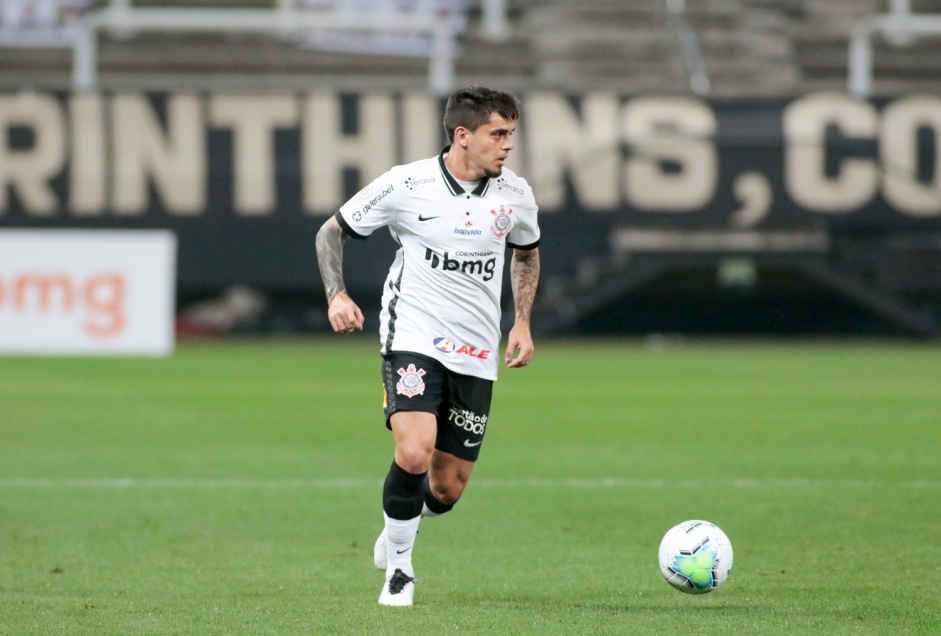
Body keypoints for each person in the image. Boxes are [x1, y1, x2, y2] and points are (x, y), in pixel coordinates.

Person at [315, 86, 540, 607]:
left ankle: (402, 521)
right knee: (413, 450)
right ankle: (399, 571)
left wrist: (522, 322)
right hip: (412, 333)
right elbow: (331, 232)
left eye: (511, 134)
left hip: (477, 347)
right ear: (463, 136)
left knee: (447, 488)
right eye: (498, 134)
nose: (508, 145)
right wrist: (336, 294)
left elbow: (526, 254)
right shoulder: (406, 183)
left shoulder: (516, 194)